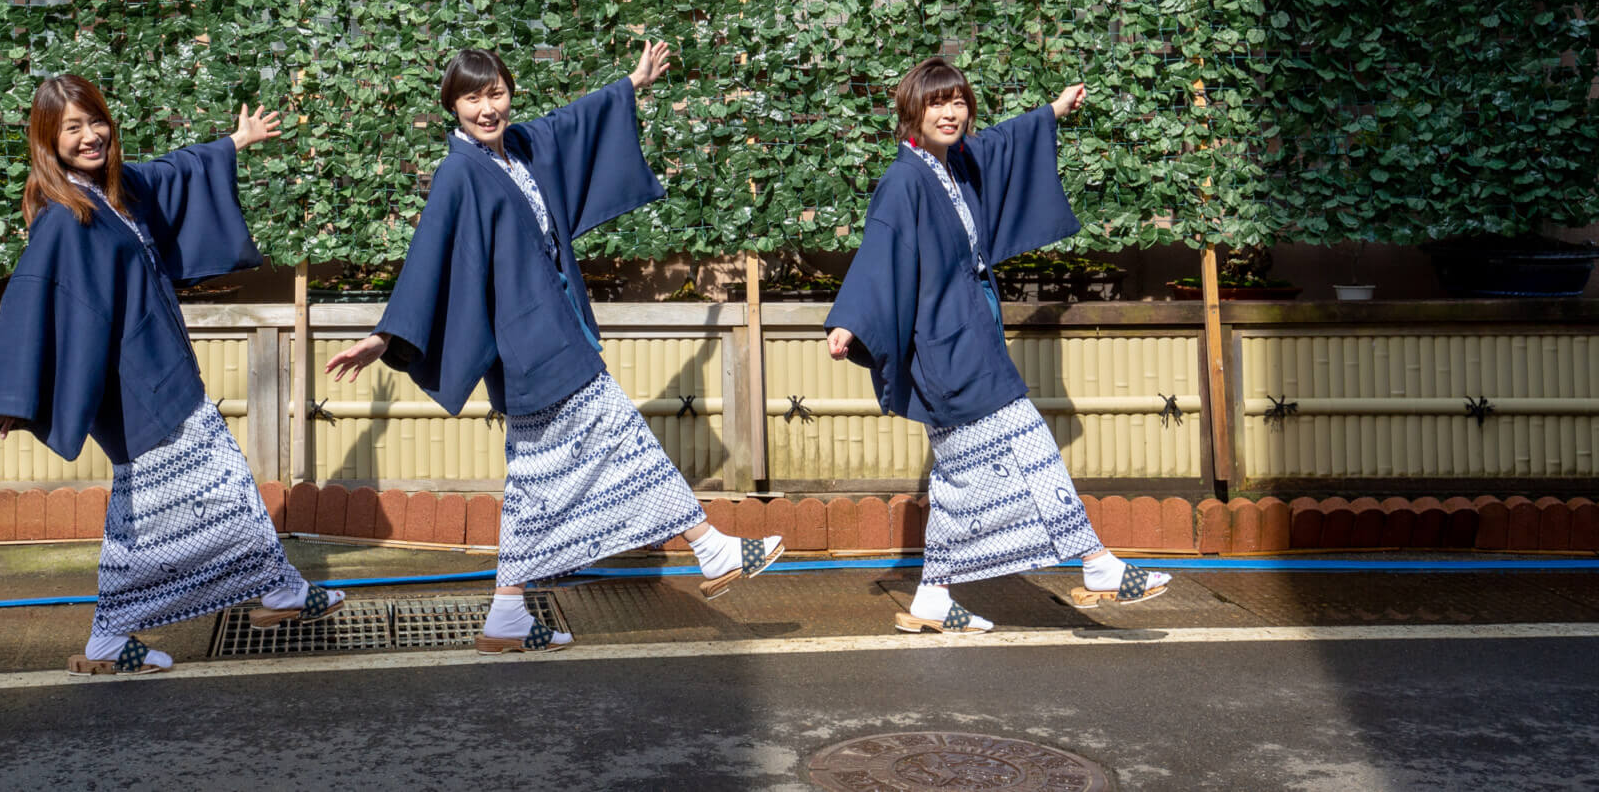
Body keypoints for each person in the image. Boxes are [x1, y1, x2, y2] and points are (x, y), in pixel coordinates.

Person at [325, 43, 783, 655]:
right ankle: (710, 546)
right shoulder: (459, 172)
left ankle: (507, 615)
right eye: (472, 97)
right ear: (451, 107)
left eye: (496, 93)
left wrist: (632, 83)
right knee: (622, 435)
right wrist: (386, 336)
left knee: (535, 483)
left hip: (549, 336)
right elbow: (430, 256)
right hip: (532, 345)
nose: (488, 108)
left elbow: (571, 121)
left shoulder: (519, 150)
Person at [0, 74, 344, 676]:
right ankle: (273, 591)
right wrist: (7, 395)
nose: (91, 136)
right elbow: (31, 296)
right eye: (73, 128)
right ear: (47, 139)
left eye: (96, 121)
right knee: (214, 481)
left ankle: (121, 636)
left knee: (159, 503)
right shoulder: (66, 216)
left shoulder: (113, 189)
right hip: (133, 381)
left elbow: (174, 171)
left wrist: (234, 143)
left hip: (158, 367)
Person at [825, 57, 1170, 635]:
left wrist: (1052, 112)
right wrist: (852, 321)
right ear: (914, 110)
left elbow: (1001, 144)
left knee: (960, 478)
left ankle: (933, 596)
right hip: (945, 348)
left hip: (965, 335)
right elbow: (877, 252)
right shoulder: (905, 180)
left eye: (958, 101)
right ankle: (1098, 563)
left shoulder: (951, 164)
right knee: (1031, 446)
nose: (951, 113)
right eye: (937, 103)